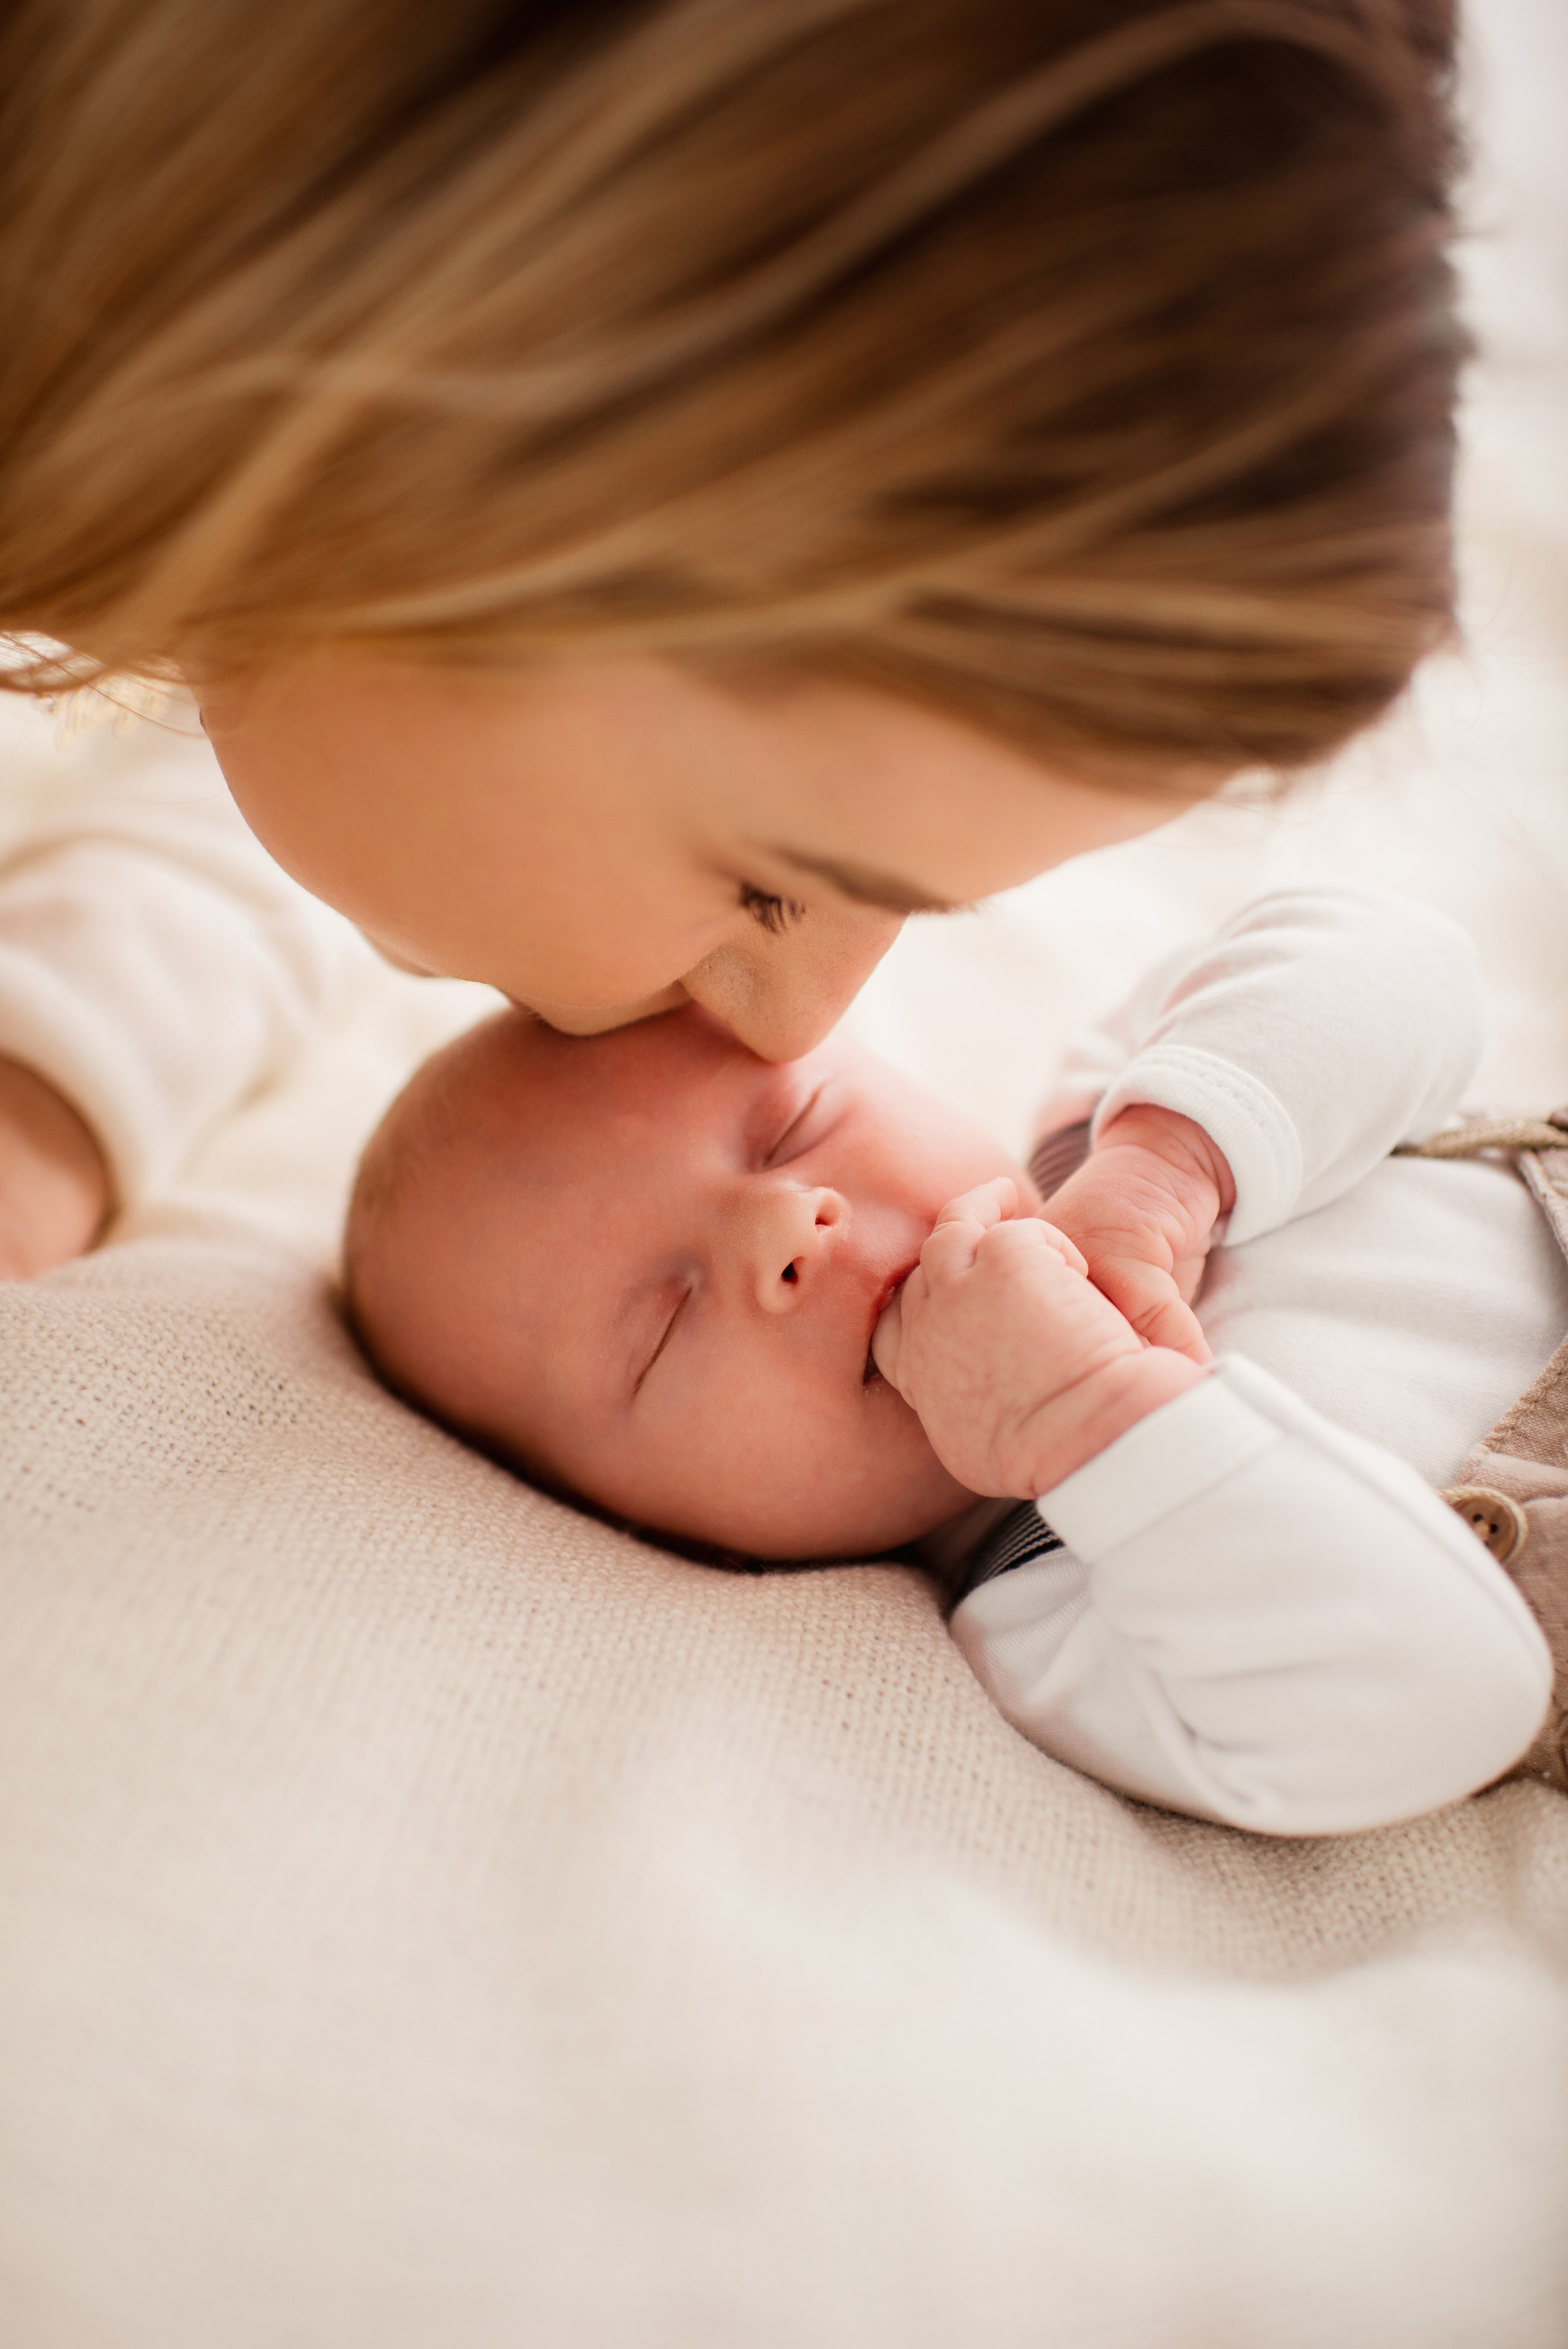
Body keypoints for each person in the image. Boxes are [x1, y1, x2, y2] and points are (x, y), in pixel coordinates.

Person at [0, 0, 1464, 1272]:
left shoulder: (308, 575)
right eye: (771, 890)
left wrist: (51, 1075)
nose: (795, 1035)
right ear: (467, 391)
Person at [343, 885, 1567, 1837]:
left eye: (790, 1128)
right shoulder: (1057, 1619)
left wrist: (1169, 1163)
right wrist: (1084, 1412)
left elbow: (1399, 959)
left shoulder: (1110, 1117)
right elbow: (1447, 1696)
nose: (786, 1228)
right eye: (662, 1327)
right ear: (673, 1541)